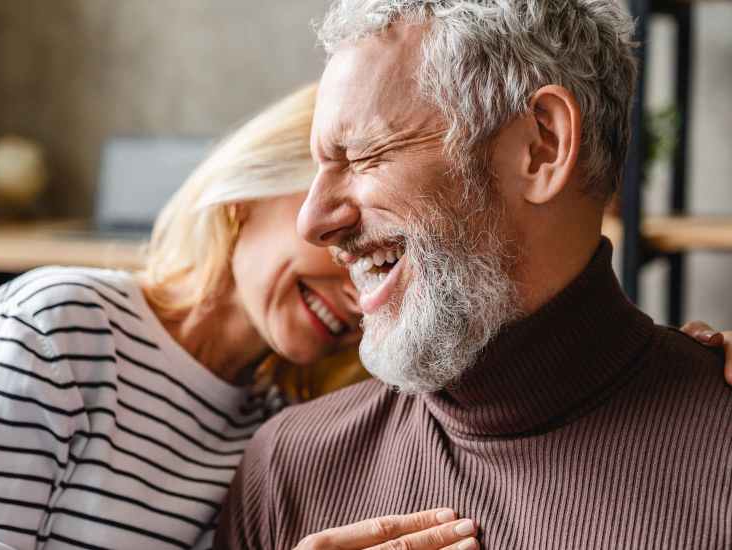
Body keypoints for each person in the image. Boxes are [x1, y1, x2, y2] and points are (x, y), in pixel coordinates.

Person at [0, 83, 732, 550]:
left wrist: (666, 363)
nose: (353, 265)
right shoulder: (61, 325)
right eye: (329, 179)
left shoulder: (281, 423)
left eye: (365, 178)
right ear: (250, 188)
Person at [216, 2, 732, 549]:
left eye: (364, 155)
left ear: (542, 147)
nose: (313, 221)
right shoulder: (287, 470)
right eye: (321, 166)